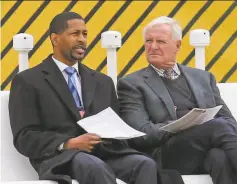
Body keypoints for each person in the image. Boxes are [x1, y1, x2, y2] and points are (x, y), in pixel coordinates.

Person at [9, 12, 165, 184]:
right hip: (62, 158)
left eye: (84, 34)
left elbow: (114, 125)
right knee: (93, 165)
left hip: (103, 154)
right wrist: (69, 143)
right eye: (75, 34)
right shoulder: (28, 81)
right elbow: (25, 136)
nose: (82, 39)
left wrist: (113, 136)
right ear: (55, 38)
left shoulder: (102, 82)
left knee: (144, 164)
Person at [117, 16, 237, 184]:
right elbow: (141, 133)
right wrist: (180, 125)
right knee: (218, 126)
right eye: (148, 41)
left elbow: (229, 120)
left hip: (203, 150)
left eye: (161, 41)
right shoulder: (131, 84)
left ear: (177, 45)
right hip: (167, 154)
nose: (153, 47)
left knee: (219, 158)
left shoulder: (203, 78)